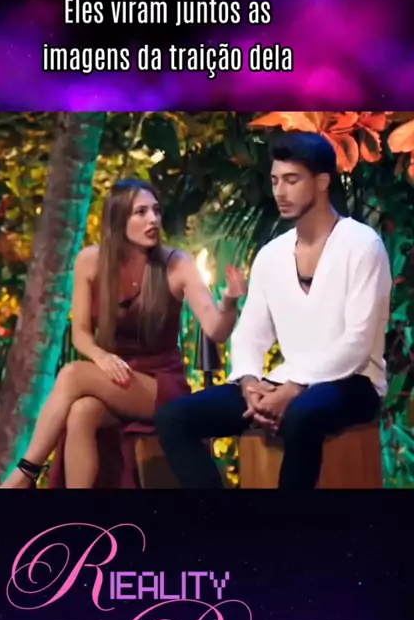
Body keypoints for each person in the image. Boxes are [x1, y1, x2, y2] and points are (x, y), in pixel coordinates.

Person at [155, 130, 393, 490]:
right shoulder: (271, 255)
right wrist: (250, 383)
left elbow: (356, 343)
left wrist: (293, 388)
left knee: (302, 415)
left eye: (292, 180)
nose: (280, 191)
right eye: (275, 180)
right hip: (284, 382)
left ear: (323, 182)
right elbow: (249, 335)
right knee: (174, 418)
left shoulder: (362, 245)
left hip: (355, 382)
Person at [0, 178, 247, 488]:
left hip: (160, 385)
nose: (152, 219)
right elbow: (80, 334)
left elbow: (217, 330)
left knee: (73, 374)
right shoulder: (90, 261)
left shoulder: (176, 264)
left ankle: (25, 474)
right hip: (115, 375)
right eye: (141, 212)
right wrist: (100, 357)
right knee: (81, 412)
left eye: (156, 211)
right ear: (118, 220)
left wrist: (229, 302)